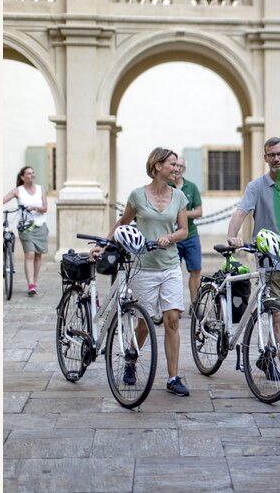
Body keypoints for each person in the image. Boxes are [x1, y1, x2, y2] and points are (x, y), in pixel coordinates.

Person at [91, 147, 191, 397]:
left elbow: (184, 231)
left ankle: (173, 377)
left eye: (177, 165)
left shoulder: (179, 197)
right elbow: (122, 223)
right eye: (172, 164)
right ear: (157, 166)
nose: (176, 168)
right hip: (144, 267)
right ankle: (131, 358)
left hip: (169, 266)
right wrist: (103, 244)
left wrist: (169, 237)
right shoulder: (137, 196)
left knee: (173, 320)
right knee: (144, 323)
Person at [226, 137, 280, 391]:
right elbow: (241, 212)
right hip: (269, 260)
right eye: (271, 155)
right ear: (265, 158)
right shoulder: (256, 186)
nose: (276, 158)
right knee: (278, 315)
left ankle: (271, 353)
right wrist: (233, 234)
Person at [2, 166, 49, 296]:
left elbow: (45, 208)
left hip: (40, 226)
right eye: (28, 173)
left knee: (38, 255)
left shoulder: (41, 189)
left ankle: (34, 281)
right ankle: (31, 285)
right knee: (30, 254)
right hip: (26, 227)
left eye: (33, 173)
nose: (32, 175)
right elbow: (4, 199)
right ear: (22, 177)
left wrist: (34, 207)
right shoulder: (18, 191)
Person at [170, 156, 203, 318]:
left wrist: (182, 213)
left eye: (181, 166)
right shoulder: (166, 186)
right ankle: (173, 306)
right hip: (172, 237)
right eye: (176, 165)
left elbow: (199, 211)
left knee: (196, 269)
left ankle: (195, 305)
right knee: (172, 271)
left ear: (184, 168)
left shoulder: (192, 187)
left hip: (190, 235)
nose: (178, 169)